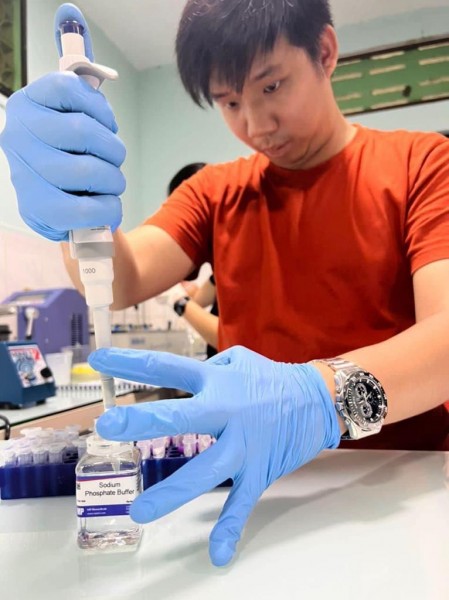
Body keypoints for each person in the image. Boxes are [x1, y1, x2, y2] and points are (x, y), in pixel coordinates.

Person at [1, 0, 449, 567]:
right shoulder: (217, 191)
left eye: (272, 86)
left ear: (326, 52)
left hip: (403, 485)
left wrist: (319, 398)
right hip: (250, 493)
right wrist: (74, 209)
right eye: (230, 102)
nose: (255, 125)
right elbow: (122, 278)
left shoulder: (422, 165)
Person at [168, 163, 219, 357]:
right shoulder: (220, 271)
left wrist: (180, 302)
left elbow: (228, 337)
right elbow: (200, 298)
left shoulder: (245, 262)